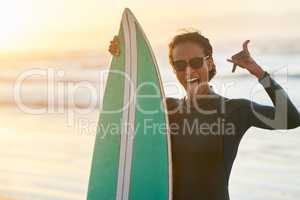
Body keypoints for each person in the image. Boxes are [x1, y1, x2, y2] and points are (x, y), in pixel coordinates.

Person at [108, 32, 300, 200]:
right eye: (180, 65)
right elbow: (122, 125)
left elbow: (291, 119)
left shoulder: (234, 111)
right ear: (174, 70)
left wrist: (258, 72)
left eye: (196, 62)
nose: (189, 70)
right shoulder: (165, 109)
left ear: (209, 62)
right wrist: (121, 59)